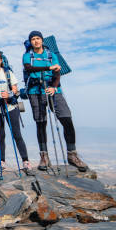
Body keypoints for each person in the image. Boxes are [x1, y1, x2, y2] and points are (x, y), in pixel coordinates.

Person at [23, 31, 88, 172]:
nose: (36, 41)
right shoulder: (28, 55)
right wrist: (48, 67)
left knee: (67, 120)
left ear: (42, 40)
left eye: (38, 38)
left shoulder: (51, 55)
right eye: (33, 39)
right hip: (36, 91)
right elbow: (28, 68)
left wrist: (53, 87)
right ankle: (44, 157)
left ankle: (72, 155)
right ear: (31, 42)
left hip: (54, 90)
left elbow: (57, 73)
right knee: (41, 124)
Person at [0, 51, 31, 174]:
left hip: (10, 106)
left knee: (16, 134)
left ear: (2, 60)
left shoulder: (7, 72)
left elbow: (15, 87)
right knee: (0, 135)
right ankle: (2, 162)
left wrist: (9, 94)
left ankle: (25, 161)